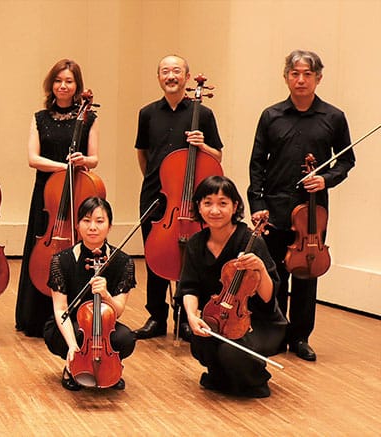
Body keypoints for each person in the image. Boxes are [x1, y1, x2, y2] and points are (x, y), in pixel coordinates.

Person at [248, 49, 354, 362]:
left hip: (312, 210)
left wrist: (327, 179)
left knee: (307, 274)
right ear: (286, 77)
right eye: (295, 73)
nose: (301, 79)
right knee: (275, 273)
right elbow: (257, 163)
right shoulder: (271, 115)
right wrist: (257, 201)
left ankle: (301, 338)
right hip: (275, 205)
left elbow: (347, 160)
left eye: (308, 74)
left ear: (318, 78)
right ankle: (276, 333)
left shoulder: (333, 117)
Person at [132, 55, 225, 341]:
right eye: (165, 71)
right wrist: (161, 183)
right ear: (158, 77)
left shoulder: (203, 114)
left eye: (176, 71)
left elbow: (218, 156)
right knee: (155, 253)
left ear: (186, 77)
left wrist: (203, 145)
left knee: (193, 257)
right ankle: (156, 316)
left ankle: (187, 317)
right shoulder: (147, 113)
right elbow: (142, 153)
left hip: (193, 199)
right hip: (158, 194)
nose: (170, 76)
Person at [14, 59, 100, 338]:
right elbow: (33, 158)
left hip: (77, 194)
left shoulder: (88, 118)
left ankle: (75, 311)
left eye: (69, 81)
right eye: (59, 80)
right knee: (41, 250)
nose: (63, 86)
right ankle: (34, 316)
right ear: (51, 84)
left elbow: (94, 158)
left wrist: (83, 160)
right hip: (47, 194)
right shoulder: (40, 117)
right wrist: (65, 167)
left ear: (77, 86)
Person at [181, 176, 285, 398]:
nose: (215, 210)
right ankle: (223, 375)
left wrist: (261, 269)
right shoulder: (196, 243)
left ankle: (255, 380)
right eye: (207, 203)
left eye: (223, 203)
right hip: (221, 317)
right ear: (198, 206)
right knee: (200, 340)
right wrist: (191, 316)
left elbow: (268, 298)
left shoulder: (251, 241)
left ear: (235, 206)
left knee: (232, 350)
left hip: (259, 322)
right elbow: (189, 287)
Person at [43, 197, 136, 391]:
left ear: (110, 226)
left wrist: (106, 295)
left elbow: (117, 312)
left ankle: (108, 368)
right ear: (77, 225)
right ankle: (72, 366)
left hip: (104, 324)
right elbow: (60, 309)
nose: (92, 227)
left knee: (125, 338)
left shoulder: (123, 262)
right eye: (86, 220)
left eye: (99, 221)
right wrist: (72, 346)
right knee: (77, 336)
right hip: (70, 324)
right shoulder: (62, 261)